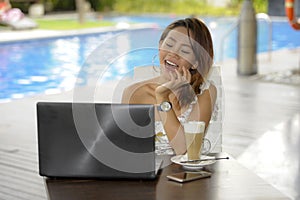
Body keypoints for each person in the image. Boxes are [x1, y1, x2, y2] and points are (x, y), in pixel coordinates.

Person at [122, 17, 217, 156]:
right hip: (143, 174)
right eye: (169, 45)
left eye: (184, 51)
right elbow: (124, 149)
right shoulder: (133, 92)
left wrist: (162, 97)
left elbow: (185, 150)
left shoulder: (205, 92)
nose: (173, 53)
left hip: (184, 174)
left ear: (195, 63)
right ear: (160, 45)